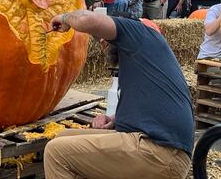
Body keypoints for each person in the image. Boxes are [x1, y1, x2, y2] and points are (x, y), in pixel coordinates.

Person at [44, 11, 193, 179]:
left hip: (161, 152)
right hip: (159, 148)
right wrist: (114, 119)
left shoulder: (139, 32)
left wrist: (64, 18)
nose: (101, 40)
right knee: (61, 138)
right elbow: (151, 106)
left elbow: (88, 20)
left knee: (56, 153)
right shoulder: (142, 56)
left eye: (103, 36)